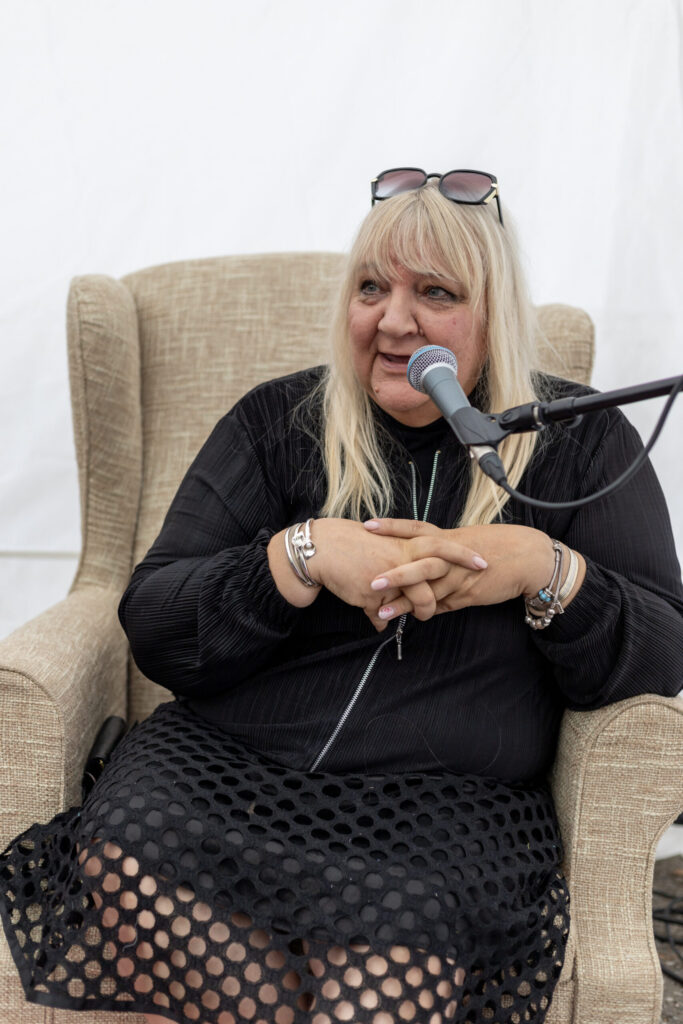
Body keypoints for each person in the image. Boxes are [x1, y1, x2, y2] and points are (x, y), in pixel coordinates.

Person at [2, 169, 682, 1024]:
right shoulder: (276, 420)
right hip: (222, 776)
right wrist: (301, 554)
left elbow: (661, 652)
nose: (393, 321)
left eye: (435, 293)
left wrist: (541, 566)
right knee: (120, 856)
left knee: (380, 987)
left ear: (494, 312)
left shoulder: (578, 441)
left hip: (443, 817)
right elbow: (156, 622)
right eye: (371, 288)